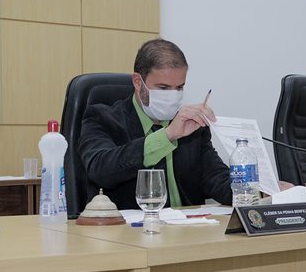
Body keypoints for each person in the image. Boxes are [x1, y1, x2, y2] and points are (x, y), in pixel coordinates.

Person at [79, 38, 232, 212]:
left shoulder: (192, 127)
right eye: (163, 88)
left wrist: (252, 190)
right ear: (138, 82)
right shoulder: (102, 118)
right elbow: (100, 170)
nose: (172, 95)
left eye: (179, 87)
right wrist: (168, 135)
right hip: (130, 227)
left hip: (188, 226)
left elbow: (217, 180)